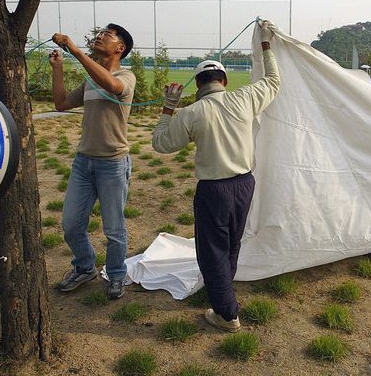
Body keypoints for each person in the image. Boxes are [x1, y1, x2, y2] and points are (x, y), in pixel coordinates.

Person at [151, 21, 280, 332]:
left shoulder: (191, 113)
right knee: (232, 242)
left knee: (213, 251)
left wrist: (168, 108)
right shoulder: (245, 98)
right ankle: (225, 291)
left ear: (198, 85)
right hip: (245, 184)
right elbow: (274, 81)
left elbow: (161, 144)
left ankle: (226, 313)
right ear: (223, 80)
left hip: (214, 190)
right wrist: (266, 44)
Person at [48, 23, 136, 300]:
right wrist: (58, 68)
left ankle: (116, 274)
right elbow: (61, 104)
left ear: (119, 48)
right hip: (83, 163)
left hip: (113, 164)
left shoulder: (126, 76)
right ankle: (85, 267)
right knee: (71, 224)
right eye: (99, 35)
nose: (99, 37)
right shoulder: (89, 81)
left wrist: (74, 50)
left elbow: (111, 84)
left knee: (113, 228)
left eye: (106, 36)